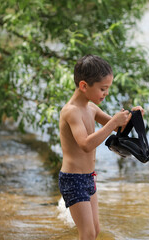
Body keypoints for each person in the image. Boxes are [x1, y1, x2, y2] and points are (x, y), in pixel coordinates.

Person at [58, 54, 144, 240]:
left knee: (95, 232)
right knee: (87, 234)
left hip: (89, 177)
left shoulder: (91, 108)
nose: (106, 94)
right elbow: (86, 144)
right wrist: (113, 122)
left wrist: (134, 115)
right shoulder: (71, 111)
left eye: (108, 89)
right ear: (83, 86)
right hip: (73, 180)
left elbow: (120, 126)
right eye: (103, 89)